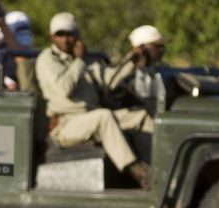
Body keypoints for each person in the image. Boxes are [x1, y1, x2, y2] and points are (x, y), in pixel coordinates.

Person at [35, 12, 153, 189]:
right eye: (60, 34)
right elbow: (63, 88)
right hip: (66, 124)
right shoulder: (47, 59)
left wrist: (132, 62)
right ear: (52, 37)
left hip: (93, 117)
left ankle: (159, 166)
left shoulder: (86, 60)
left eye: (70, 34)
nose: (65, 39)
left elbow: (110, 79)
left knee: (139, 116)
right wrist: (80, 61)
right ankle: (137, 171)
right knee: (103, 116)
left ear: (77, 36)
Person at [107, 25, 167, 109]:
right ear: (141, 48)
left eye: (162, 46)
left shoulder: (156, 68)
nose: (162, 49)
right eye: (157, 46)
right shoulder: (126, 72)